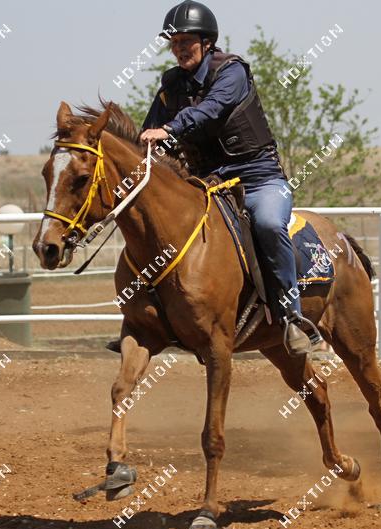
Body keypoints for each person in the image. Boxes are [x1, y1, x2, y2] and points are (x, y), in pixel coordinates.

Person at [138, 1, 315, 356]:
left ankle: (292, 318)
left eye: (186, 42)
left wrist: (169, 129)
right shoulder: (171, 84)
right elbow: (150, 129)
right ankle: (144, 321)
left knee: (267, 224)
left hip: (258, 178)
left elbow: (211, 109)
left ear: (206, 42)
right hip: (208, 182)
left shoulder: (231, 71)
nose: (178, 49)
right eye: (174, 43)